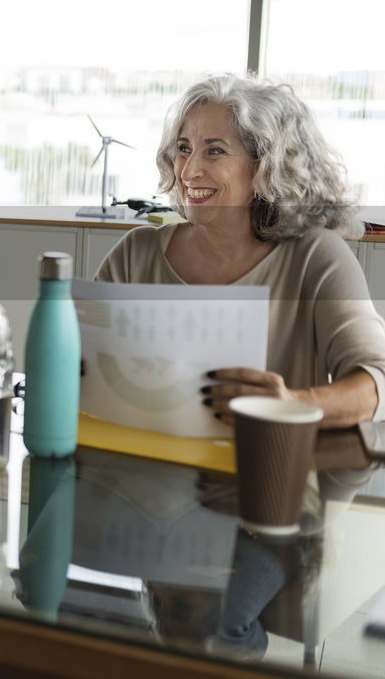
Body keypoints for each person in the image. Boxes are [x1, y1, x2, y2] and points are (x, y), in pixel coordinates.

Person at [95, 73, 385, 429]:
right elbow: (79, 368)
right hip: (145, 473)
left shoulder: (317, 257)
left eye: (214, 151)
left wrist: (292, 404)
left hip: (270, 473)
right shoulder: (135, 254)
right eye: (184, 149)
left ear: (266, 165)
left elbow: (377, 382)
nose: (188, 171)